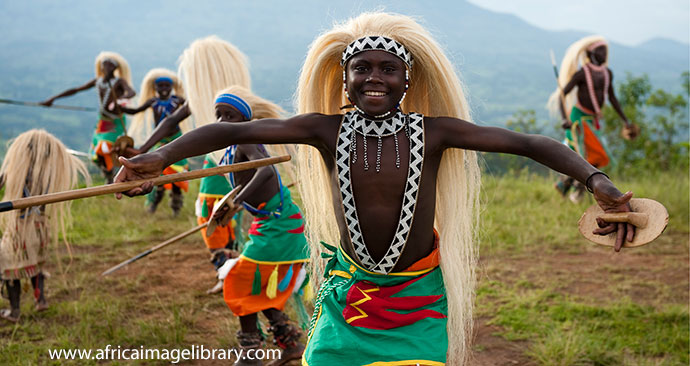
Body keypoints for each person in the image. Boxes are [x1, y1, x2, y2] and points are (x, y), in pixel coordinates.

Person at [114, 12, 635, 365]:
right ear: (345, 79)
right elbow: (229, 132)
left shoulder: (435, 132)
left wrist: (596, 180)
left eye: (389, 69)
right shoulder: (324, 129)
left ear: (407, 79)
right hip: (350, 295)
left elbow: (526, 142)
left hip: (417, 300)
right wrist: (158, 158)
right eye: (362, 69)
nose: (375, 79)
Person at [211, 86, 309, 365]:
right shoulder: (233, 146)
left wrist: (238, 202)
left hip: (280, 226)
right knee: (257, 284)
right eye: (218, 115)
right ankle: (289, 343)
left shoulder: (246, 140)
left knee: (240, 280)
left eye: (229, 116)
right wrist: (229, 207)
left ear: (244, 120)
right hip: (268, 225)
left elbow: (266, 169)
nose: (222, 122)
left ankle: (251, 354)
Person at [0, 129, 90, 323]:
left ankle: (15, 311)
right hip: (41, 226)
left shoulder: (18, 173)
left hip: (21, 227)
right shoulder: (48, 175)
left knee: (9, 266)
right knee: (36, 263)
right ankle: (40, 300)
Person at [548, 36, 635, 202]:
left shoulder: (607, 73)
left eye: (605, 51)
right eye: (601, 50)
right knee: (590, 156)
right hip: (578, 119)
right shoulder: (582, 74)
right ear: (591, 53)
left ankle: (566, 183)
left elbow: (612, 97)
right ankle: (575, 189)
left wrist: (625, 120)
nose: (604, 54)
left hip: (592, 120)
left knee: (594, 157)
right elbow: (562, 95)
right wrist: (564, 118)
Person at [40, 52, 135, 183]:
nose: (107, 68)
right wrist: (53, 99)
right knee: (96, 152)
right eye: (105, 65)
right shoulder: (98, 81)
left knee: (106, 147)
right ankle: (108, 174)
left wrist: (121, 99)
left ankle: (117, 173)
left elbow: (131, 92)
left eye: (110, 66)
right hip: (102, 121)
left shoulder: (119, 82)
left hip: (115, 122)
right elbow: (77, 90)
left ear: (115, 68)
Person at [124, 68, 188, 215]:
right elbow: (136, 111)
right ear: (155, 88)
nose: (164, 89)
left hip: (176, 141)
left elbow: (192, 106)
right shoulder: (153, 102)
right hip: (161, 142)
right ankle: (154, 204)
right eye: (161, 86)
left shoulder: (178, 100)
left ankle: (176, 207)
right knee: (157, 179)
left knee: (177, 178)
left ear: (172, 87)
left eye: (167, 86)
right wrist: (121, 109)